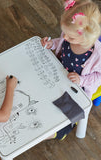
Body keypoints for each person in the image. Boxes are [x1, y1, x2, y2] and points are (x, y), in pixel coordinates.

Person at [41, 0, 101, 140]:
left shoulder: (97, 55)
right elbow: (60, 43)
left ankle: (63, 131)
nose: (65, 37)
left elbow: (99, 76)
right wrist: (51, 44)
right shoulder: (70, 35)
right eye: (64, 33)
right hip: (59, 74)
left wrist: (82, 80)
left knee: (68, 111)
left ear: (86, 37)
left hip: (78, 89)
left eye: (70, 37)